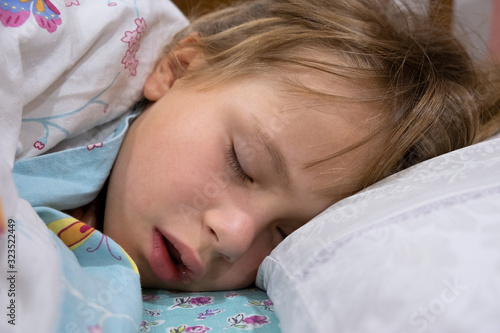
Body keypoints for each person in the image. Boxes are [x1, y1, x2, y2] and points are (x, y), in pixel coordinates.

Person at [8, 0, 500, 294]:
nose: (236, 237)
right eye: (241, 165)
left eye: (284, 235)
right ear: (179, 69)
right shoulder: (80, 48)